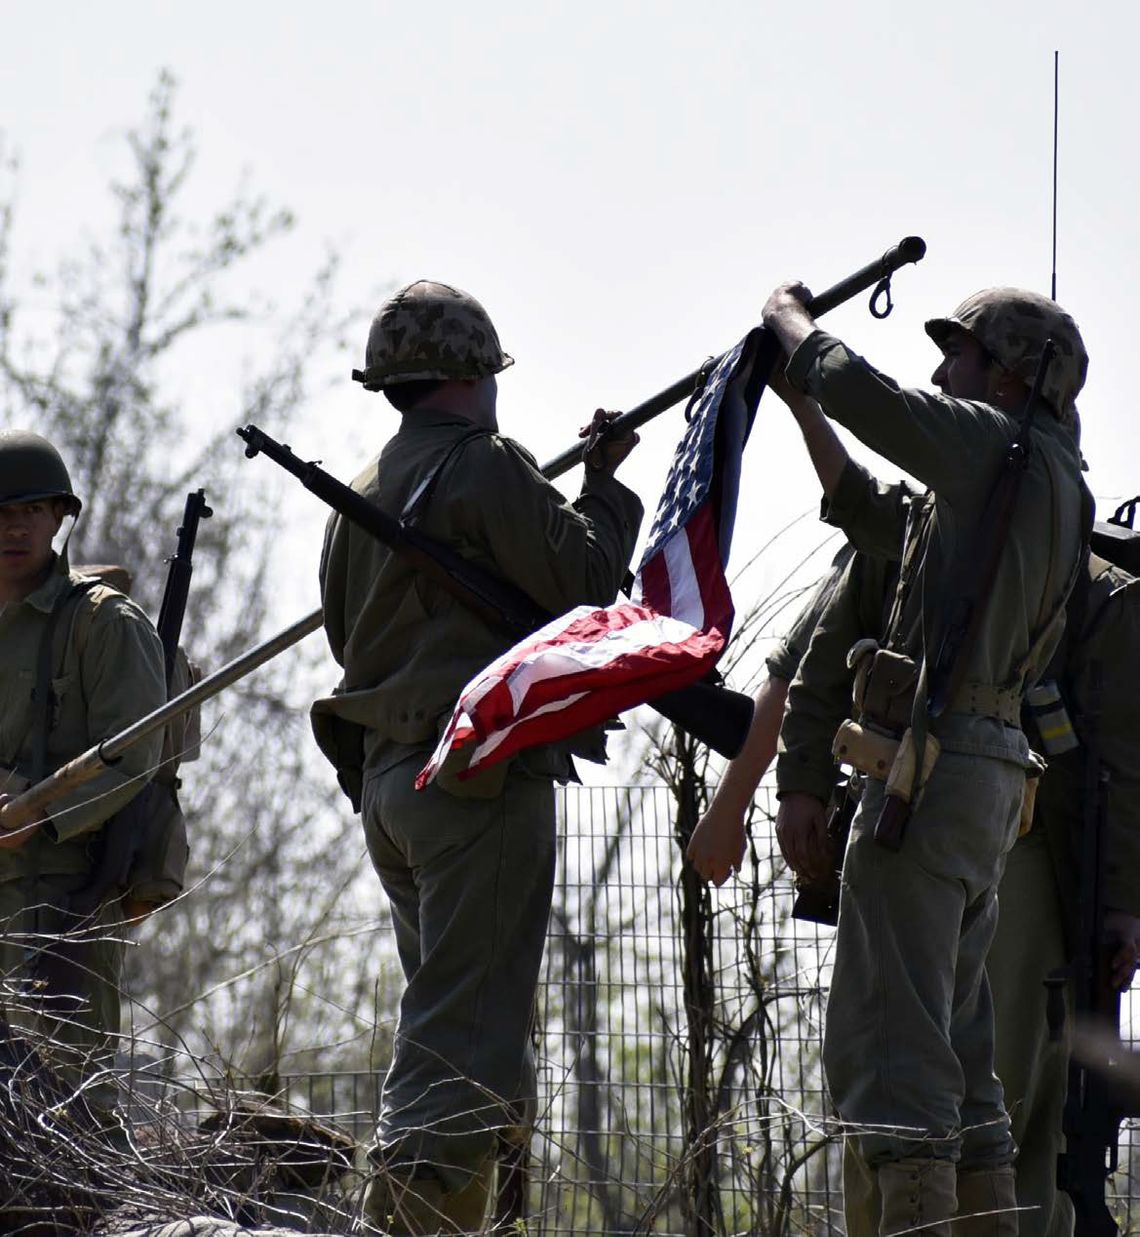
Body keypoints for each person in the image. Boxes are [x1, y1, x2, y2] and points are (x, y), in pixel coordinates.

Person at [312, 280, 643, 1234]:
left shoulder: (360, 494)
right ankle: (414, 1220)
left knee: (457, 1012)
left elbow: (347, 636)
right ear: (471, 373)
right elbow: (585, 581)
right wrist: (607, 485)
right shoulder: (485, 466)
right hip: (473, 779)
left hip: (388, 780)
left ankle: (482, 1213)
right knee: (462, 1034)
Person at [758, 286, 1087, 1235]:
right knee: (962, 1053)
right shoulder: (1051, 481)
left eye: (965, 356)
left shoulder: (994, 449)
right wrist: (802, 403)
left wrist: (789, 320)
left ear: (1015, 375)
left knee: (895, 1055)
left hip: (930, 776)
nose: (946, 372)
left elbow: (874, 397)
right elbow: (866, 509)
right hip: (989, 777)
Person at [0, 430, 166, 1096]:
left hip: (62, 900)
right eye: (0, 515)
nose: (14, 528)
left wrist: (36, 814)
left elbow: (137, 752)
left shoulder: (102, 623)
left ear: (59, 518)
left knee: (71, 1113)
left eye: (30, 512)